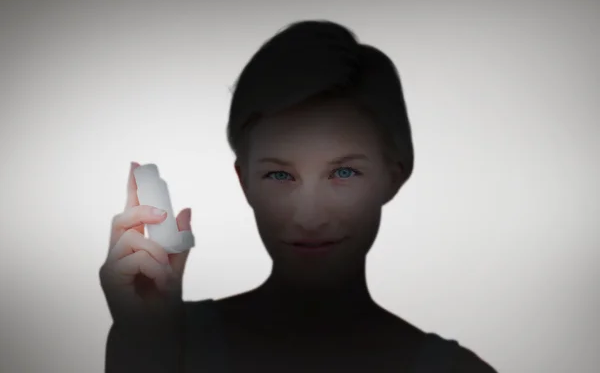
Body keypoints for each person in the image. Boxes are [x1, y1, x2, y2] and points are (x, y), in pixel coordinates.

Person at [100, 20, 498, 373]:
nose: (309, 218)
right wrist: (145, 342)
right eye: (279, 174)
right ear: (245, 182)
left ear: (395, 175)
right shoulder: (163, 343)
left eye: (343, 172)